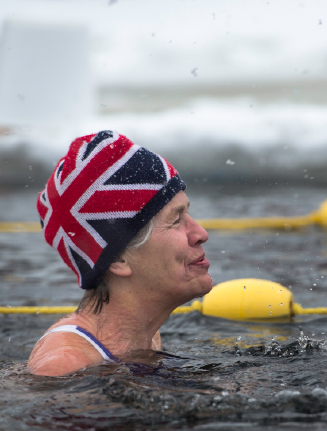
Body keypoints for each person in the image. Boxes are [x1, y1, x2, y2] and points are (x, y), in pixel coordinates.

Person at [28, 131, 212, 376]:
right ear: (118, 258)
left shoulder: (147, 338)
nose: (201, 233)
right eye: (176, 220)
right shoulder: (65, 366)